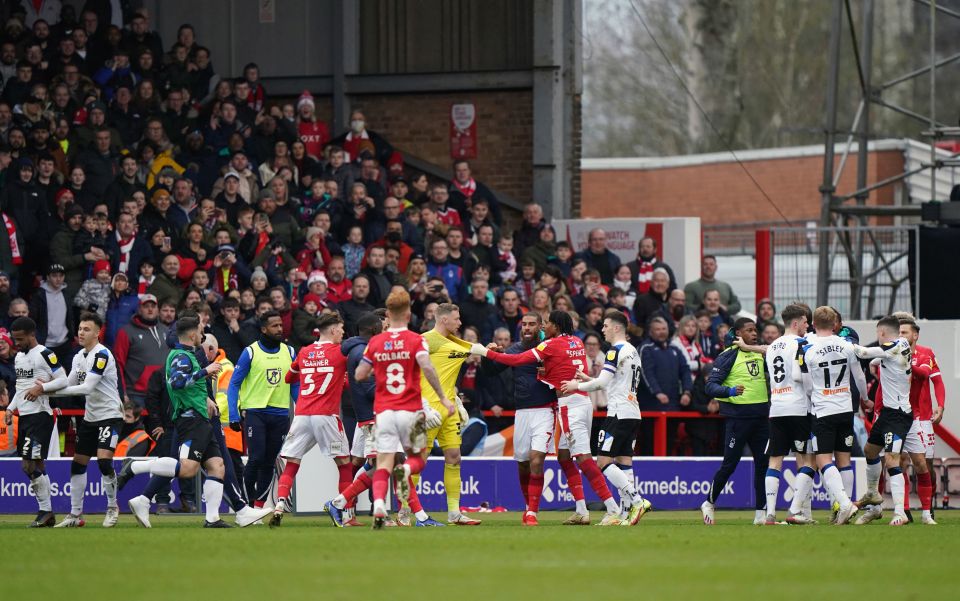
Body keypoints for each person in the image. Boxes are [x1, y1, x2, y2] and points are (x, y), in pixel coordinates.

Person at [471, 310, 622, 525]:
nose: (544, 327)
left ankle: (613, 507)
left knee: (583, 458)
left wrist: (486, 353)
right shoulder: (577, 342)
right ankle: (581, 510)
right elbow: (563, 368)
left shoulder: (550, 345)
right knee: (564, 456)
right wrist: (546, 373)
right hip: (578, 401)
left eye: (547, 323)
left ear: (556, 326)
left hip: (571, 406)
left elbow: (518, 360)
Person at [328, 290, 453, 529]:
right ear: (407, 313)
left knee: (382, 465)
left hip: (381, 414)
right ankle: (352, 504)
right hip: (402, 411)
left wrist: (379, 372)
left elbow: (359, 375)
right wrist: (441, 400)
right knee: (408, 462)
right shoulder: (416, 340)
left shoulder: (374, 344)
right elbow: (427, 369)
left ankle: (349, 503)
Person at [124, 316, 237, 528]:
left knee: (217, 465)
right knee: (188, 469)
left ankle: (212, 519)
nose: (202, 335)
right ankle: (136, 467)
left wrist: (206, 395)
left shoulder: (187, 354)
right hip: (191, 419)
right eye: (201, 330)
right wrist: (205, 371)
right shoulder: (181, 356)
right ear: (193, 334)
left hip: (200, 417)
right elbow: (177, 383)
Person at [561, 309, 651, 526]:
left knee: (602, 461)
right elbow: (614, 379)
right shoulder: (633, 351)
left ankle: (637, 500)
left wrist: (577, 385)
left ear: (616, 328)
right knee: (624, 461)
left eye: (605, 325)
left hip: (618, 413)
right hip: (633, 412)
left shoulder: (614, 351)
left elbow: (601, 384)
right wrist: (589, 377)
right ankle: (626, 513)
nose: (603, 329)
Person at [270, 313, 352, 527]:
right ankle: (344, 513)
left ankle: (279, 505)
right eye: (341, 329)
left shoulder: (305, 351)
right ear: (333, 330)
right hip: (326, 415)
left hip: (302, 415)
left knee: (292, 462)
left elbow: (289, 378)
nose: (343, 333)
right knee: (344, 463)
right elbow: (348, 384)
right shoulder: (341, 353)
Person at [41, 313, 123, 528]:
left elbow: (86, 388)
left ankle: (113, 507)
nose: (81, 332)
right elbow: (68, 385)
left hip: (110, 415)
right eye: (79, 328)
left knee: (104, 461)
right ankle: (75, 515)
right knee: (78, 465)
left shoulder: (102, 354)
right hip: (91, 417)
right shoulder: (78, 357)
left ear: (97, 333)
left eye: (86, 329)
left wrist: (45, 390)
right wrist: (47, 389)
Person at [797, 307, 868, 527]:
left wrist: (814, 397)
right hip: (846, 408)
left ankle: (844, 503)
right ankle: (841, 510)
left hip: (823, 409)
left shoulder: (807, 348)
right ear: (835, 323)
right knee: (844, 459)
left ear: (814, 323)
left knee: (823, 459)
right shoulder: (847, 346)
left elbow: (806, 383)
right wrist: (865, 398)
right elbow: (859, 377)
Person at [411, 303, 479, 525]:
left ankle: (454, 513)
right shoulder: (426, 339)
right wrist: (419, 402)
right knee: (417, 462)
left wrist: (456, 399)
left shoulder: (455, 343)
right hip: (425, 410)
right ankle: (404, 512)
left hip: (449, 410)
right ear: (443, 320)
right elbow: (408, 368)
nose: (460, 323)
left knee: (454, 458)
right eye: (456, 319)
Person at [700, 318, 770, 526]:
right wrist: (728, 391)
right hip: (738, 420)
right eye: (749, 330)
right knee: (730, 465)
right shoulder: (728, 356)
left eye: (755, 330)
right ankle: (709, 502)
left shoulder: (760, 353)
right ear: (738, 333)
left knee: (763, 466)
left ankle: (761, 513)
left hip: (761, 418)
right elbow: (710, 386)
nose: (754, 333)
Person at [227, 310, 296, 508]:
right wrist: (233, 413)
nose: (280, 329)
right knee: (256, 459)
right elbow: (234, 384)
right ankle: (246, 506)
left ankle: (258, 506)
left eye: (281, 325)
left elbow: (295, 384)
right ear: (264, 329)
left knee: (269, 462)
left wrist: (300, 409)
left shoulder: (289, 352)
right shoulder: (251, 352)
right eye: (275, 326)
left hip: (281, 414)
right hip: (256, 413)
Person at [851, 315, 916, 526]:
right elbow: (882, 357)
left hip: (898, 415)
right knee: (870, 451)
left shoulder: (892, 346)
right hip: (888, 413)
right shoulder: (903, 343)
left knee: (891, 459)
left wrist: (839, 343)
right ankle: (873, 498)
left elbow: (862, 352)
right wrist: (876, 362)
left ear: (881, 333)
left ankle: (900, 512)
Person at [3, 316, 66, 527]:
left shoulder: (45, 354)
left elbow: (63, 379)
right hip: (26, 418)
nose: (17, 344)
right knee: (37, 464)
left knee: (28, 465)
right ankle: (48, 514)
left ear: (32, 334)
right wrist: (11, 408)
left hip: (41, 416)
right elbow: (21, 388)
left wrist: (42, 388)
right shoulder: (19, 357)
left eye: (20, 339)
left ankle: (45, 510)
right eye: (14, 339)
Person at [758, 304, 817, 525]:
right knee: (808, 462)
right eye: (804, 322)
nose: (807, 326)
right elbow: (800, 375)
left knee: (775, 461)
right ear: (795, 323)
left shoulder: (773, 346)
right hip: (799, 407)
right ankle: (796, 511)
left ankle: (770, 514)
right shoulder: (802, 343)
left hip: (777, 408)